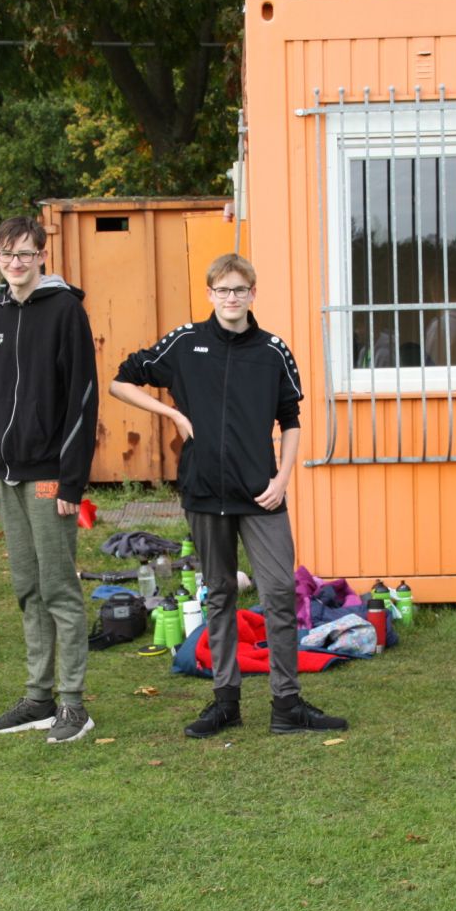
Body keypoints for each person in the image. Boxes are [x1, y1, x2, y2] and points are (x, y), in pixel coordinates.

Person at [110, 253, 348, 739]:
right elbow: (120, 382)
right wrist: (173, 415)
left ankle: (287, 704)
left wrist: (283, 479)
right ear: (211, 294)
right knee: (218, 594)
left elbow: (292, 420)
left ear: (253, 293)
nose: (232, 298)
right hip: (203, 491)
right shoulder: (185, 342)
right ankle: (225, 702)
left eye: (240, 289)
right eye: (223, 290)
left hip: (261, 493)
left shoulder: (273, 351)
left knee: (278, 591)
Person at [0, 217, 100, 745]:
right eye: (7, 255)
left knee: (58, 589)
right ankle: (37, 698)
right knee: (27, 587)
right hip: (7, 475)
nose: (16, 263)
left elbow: (83, 398)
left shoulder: (65, 310)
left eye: (25, 254)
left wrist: (72, 481)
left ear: (42, 256)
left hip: (50, 476)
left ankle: (73, 705)